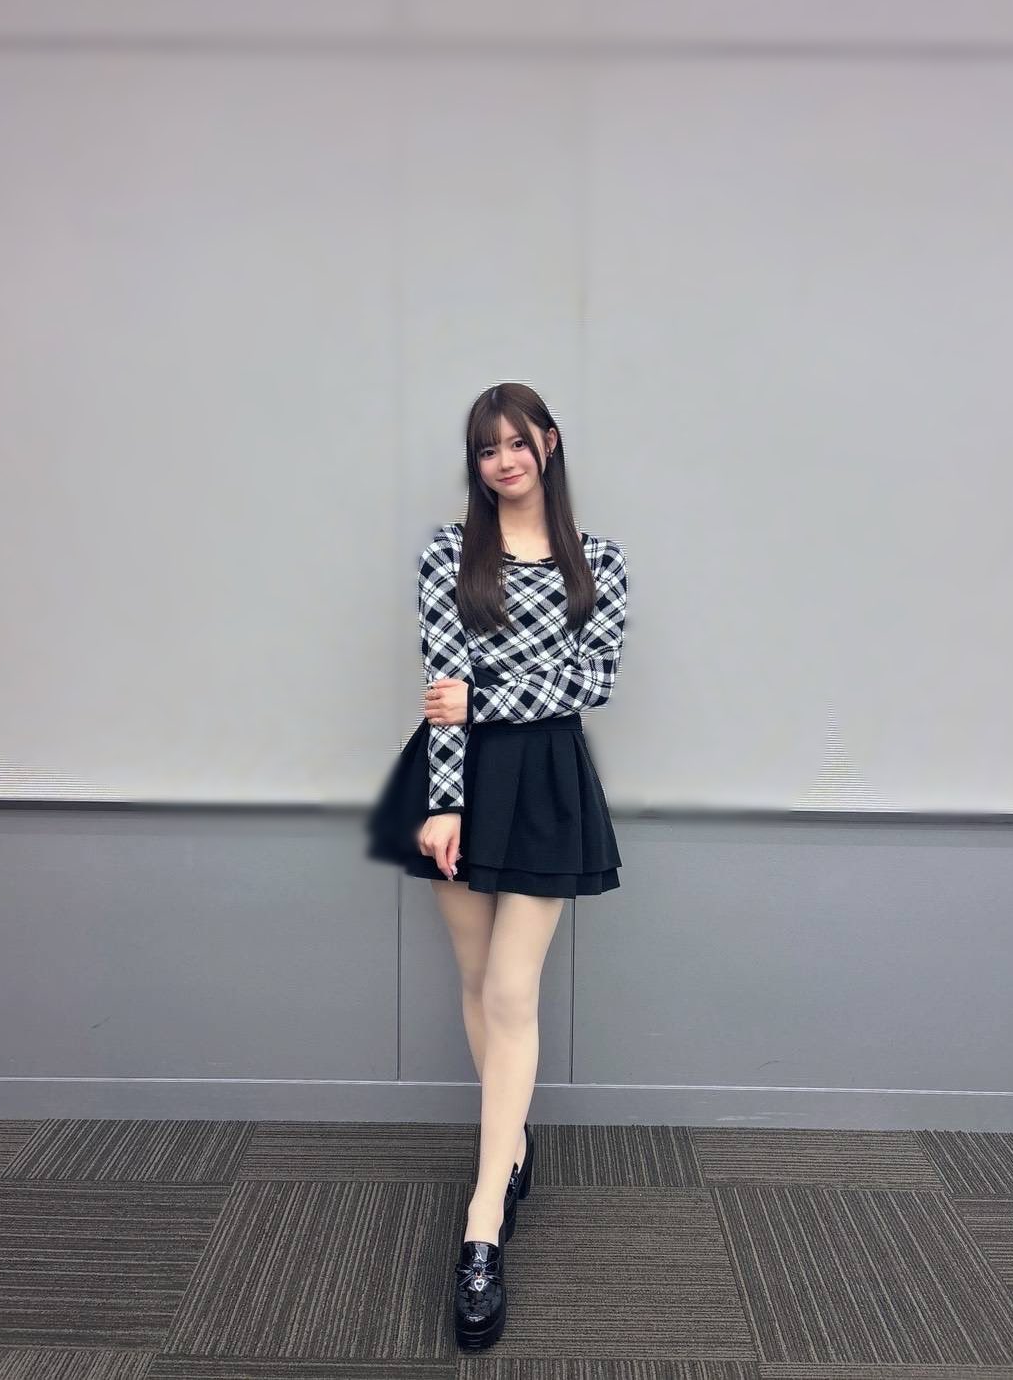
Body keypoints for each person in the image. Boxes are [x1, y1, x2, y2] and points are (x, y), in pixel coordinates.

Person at [364, 381, 629, 1351]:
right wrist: (443, 801)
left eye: (518, 442)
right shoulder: (449, 552)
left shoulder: (597, 560)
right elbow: (442, 684)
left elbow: (593, 680)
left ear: (549, 445)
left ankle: (483, 1223)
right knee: (478, 982)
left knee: (514, 992)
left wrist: (485, 697)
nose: (503, 460)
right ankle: (512, 1147)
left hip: (547, 780)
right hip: (458, 782)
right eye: (486, 448)